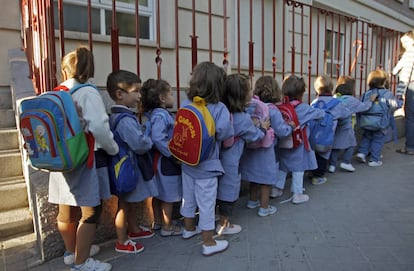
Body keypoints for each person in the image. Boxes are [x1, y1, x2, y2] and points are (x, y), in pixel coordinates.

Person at [48, 46, 118, 271]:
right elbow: (98, 126)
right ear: (90, 69)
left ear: (64, 71)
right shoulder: (88, 92)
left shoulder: (56, 93)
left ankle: (72, 252)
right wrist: (113, 148)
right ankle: (82, 262)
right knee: (91, 211)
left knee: (66, 207)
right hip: (84, 158)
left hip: (60, 159)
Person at [179, 61, 234, 256]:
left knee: (188, 199)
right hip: (208, 166)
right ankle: (209, 242)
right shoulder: (220, 108)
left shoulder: (186, 103)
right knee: (207, 204)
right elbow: (225, 133)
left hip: (187, 163)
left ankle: (188, 229)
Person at [106, 70, 158, 254]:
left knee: (132, 201)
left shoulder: (119, 116)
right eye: (135, 91)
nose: (139, 96)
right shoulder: (125, 120)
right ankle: (122, 240)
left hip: (127, 166)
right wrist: (148, 139)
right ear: (120, 94)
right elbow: (139, 144)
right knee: (124, 205)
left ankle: (134, 230)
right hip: (128, 168)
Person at [217, 74, 268, 232]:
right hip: (231, 161)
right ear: (242, 95)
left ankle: (213, 217)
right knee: (229, 190)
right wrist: (263, 128)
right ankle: (224, 224)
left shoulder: (222, 111)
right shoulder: (243, 118)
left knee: (216, 190)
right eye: (249, 89)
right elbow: (254, 136)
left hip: (215, 158)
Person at [240, 75, 290, 215]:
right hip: (267, 148)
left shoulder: (251, 106)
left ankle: (252, 201)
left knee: (253, 176)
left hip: (251, 146)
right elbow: (281, 131)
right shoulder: (273, 110)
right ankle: (264, 207)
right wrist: (290, 127)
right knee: (266, 178)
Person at [140, 78, 183, 236]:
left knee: (159, 193)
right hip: (165, 161)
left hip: (158, 161)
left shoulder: (154, 114)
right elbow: (158, 137)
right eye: (171, 94)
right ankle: (167, 226)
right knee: (168, 195)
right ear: (162, 98)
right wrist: (173, 154)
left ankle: (158, 222)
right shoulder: (162, 115)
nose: (173, 97)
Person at [274, 75, 325, 204]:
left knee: (283, 166)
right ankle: (297, 194)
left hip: (282, 141)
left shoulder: (280, 106)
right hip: (298, 143)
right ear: (302, 93)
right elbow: (320, 114)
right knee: (298, 168)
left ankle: (277, 189)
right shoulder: (304, 108)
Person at [328, 76, 376, 173]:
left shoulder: (335, 99)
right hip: (347, 127)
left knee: (335, 146)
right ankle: (346, 162)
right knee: (351, 144)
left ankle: (332, 165)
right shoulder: (351, 100)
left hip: (335, 126)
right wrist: (370, 101)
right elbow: (364, 107)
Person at [310, 75, 351, 184]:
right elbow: (346, 114)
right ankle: (318, 177)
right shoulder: (337, 103)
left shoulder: (314, 102)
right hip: (327, 136)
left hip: (314, 136)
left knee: (315, 154)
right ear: (331, 88)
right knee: (323, 155)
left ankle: (313, 172)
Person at [356, 69, 398, 166]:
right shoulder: (387, 94)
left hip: (366, 121)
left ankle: (362, 153)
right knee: (377, 140)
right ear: (384, 81)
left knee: (366, 136)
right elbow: (394, 105)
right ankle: (374, 159)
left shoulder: (366, 93)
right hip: (380, 122)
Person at [392, 30, 414, 155]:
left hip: (412, 85)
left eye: (406, 41)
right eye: (402, 42)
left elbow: (405, 74)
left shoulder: (410, 52)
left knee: (410, 118)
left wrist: (399, 93)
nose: (404, 44)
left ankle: (410, 147)